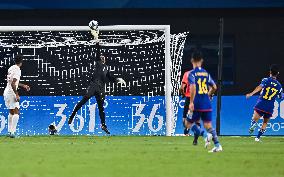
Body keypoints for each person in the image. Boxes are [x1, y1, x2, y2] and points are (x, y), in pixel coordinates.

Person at [68, 29, 126, 134]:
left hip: (101, 89)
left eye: (104, 57)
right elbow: (98, 50)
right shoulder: (98, 63)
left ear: (105, 59)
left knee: (101, 108)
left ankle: (103, 125)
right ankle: (72, 116)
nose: (102, 57)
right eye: (101, 56)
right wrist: (96, 39)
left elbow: (111, 78)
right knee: (82, 102)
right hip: (93, 86)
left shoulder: (107, 68)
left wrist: (118, 79)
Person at [188, 51, 222, 152]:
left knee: (187, 123)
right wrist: (209, 94)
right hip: (206, 103)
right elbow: (215, 87)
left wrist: (191, 102)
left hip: (197, 102)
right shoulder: (206, 73)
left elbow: (193, 87)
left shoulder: (192, 73)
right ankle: (218, 146)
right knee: (208, 125)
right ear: (202, 61)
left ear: (192, 60)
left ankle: (204, 136)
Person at [246, 64, 283, 142]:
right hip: (270, 106)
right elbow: (281, 97)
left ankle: (253, 124)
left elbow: (260, 87)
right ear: (278, 73)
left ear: (270, 72)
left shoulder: (266, 80)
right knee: (265, 122)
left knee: (254, 119)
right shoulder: (279, 86)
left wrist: (251, 93)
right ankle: (257, 138)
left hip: (261, 103)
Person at [3, 54, 30, 138]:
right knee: (16, 111)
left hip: (6, 91)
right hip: (11, 92)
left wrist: (23, 85)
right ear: (21, 62)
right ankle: (13, 133)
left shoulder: (11, 68)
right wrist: (17, 94)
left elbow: (11, 82)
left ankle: (9, 132)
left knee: (11, 112)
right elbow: (13, 83)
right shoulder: (18, 69)